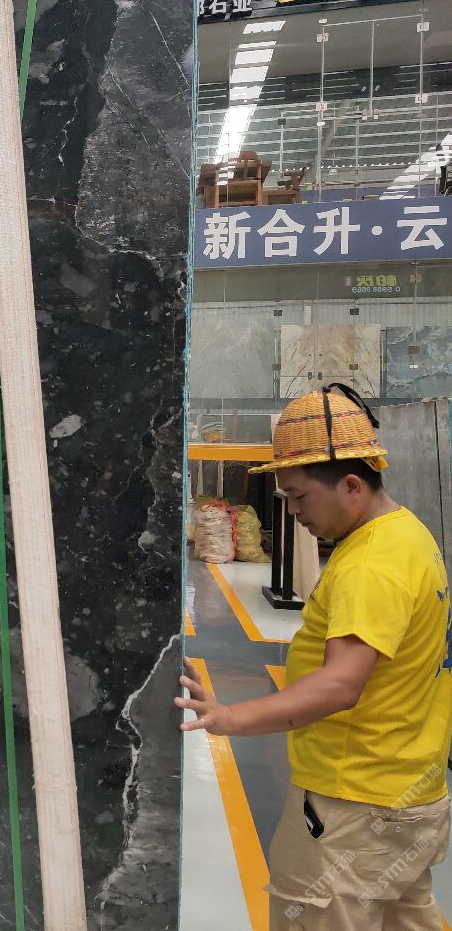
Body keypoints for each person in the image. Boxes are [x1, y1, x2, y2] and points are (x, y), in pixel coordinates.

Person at [177, 383, 452, 931]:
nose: (294, 511)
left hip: (351, 807)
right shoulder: (408, 535)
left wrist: (231, 717)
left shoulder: (370, 565)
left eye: (300, 496)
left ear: (351, 484)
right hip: (410, 795)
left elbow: (339, 685)